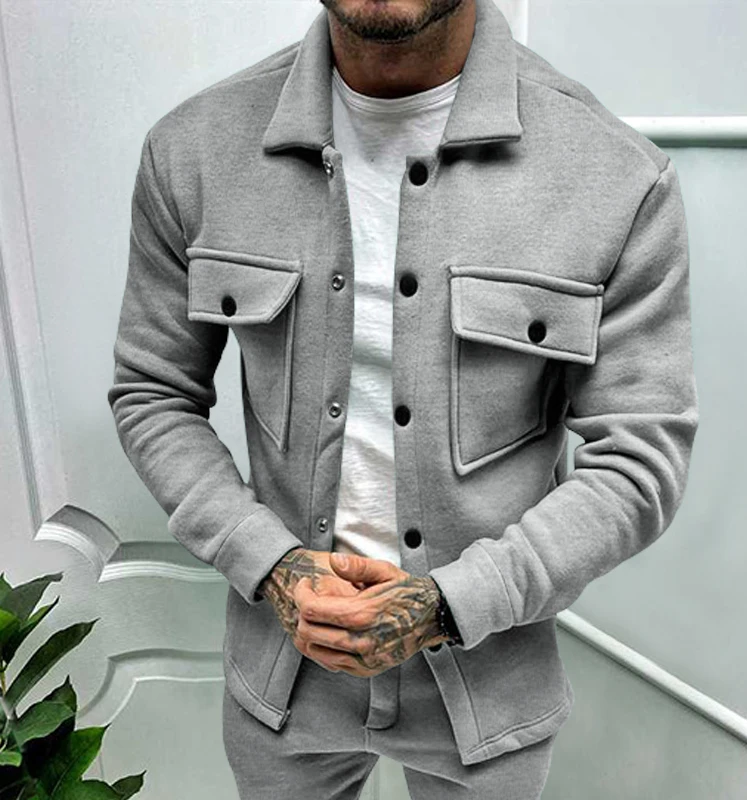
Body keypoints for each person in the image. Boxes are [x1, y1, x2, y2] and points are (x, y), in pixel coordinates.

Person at [107, 0, 700, 796]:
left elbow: (639, 460)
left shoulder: (616, 175)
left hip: (490, 694)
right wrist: (272, 566)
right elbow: (153, 391)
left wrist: (448, 605)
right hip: (278, 680)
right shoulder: (193, 151)